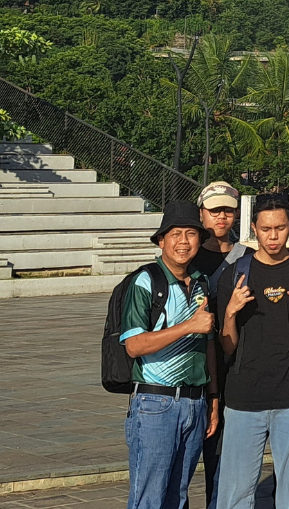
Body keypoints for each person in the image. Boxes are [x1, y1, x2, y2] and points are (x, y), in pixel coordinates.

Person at [213, 193, 289, 509]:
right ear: (253, 228)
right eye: (265, 229)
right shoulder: (235, 274)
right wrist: (231, 312)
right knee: (235, 495)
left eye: (280, 228)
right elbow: (227, 345)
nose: (272, 236)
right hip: (244, 398)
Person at [119, 200, 222, 509]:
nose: (183, 241)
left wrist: (213, 399)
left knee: (177, 497)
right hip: (155, 403)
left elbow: (209, 346)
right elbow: (134, 345)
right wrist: (189, 326)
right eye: (175, 234)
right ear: (161, 240)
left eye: (191, 234)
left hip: (195, 402)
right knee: (149, 498)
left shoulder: (202, 282)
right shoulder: (146, 281)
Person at [192, 180, 246, 507]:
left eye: (227, 210)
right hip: (194, 369)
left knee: (226, 452)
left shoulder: (247, 258)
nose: (221, 217)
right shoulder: (188, 259)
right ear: (202, 214)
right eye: (214, 211)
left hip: (234, 367)